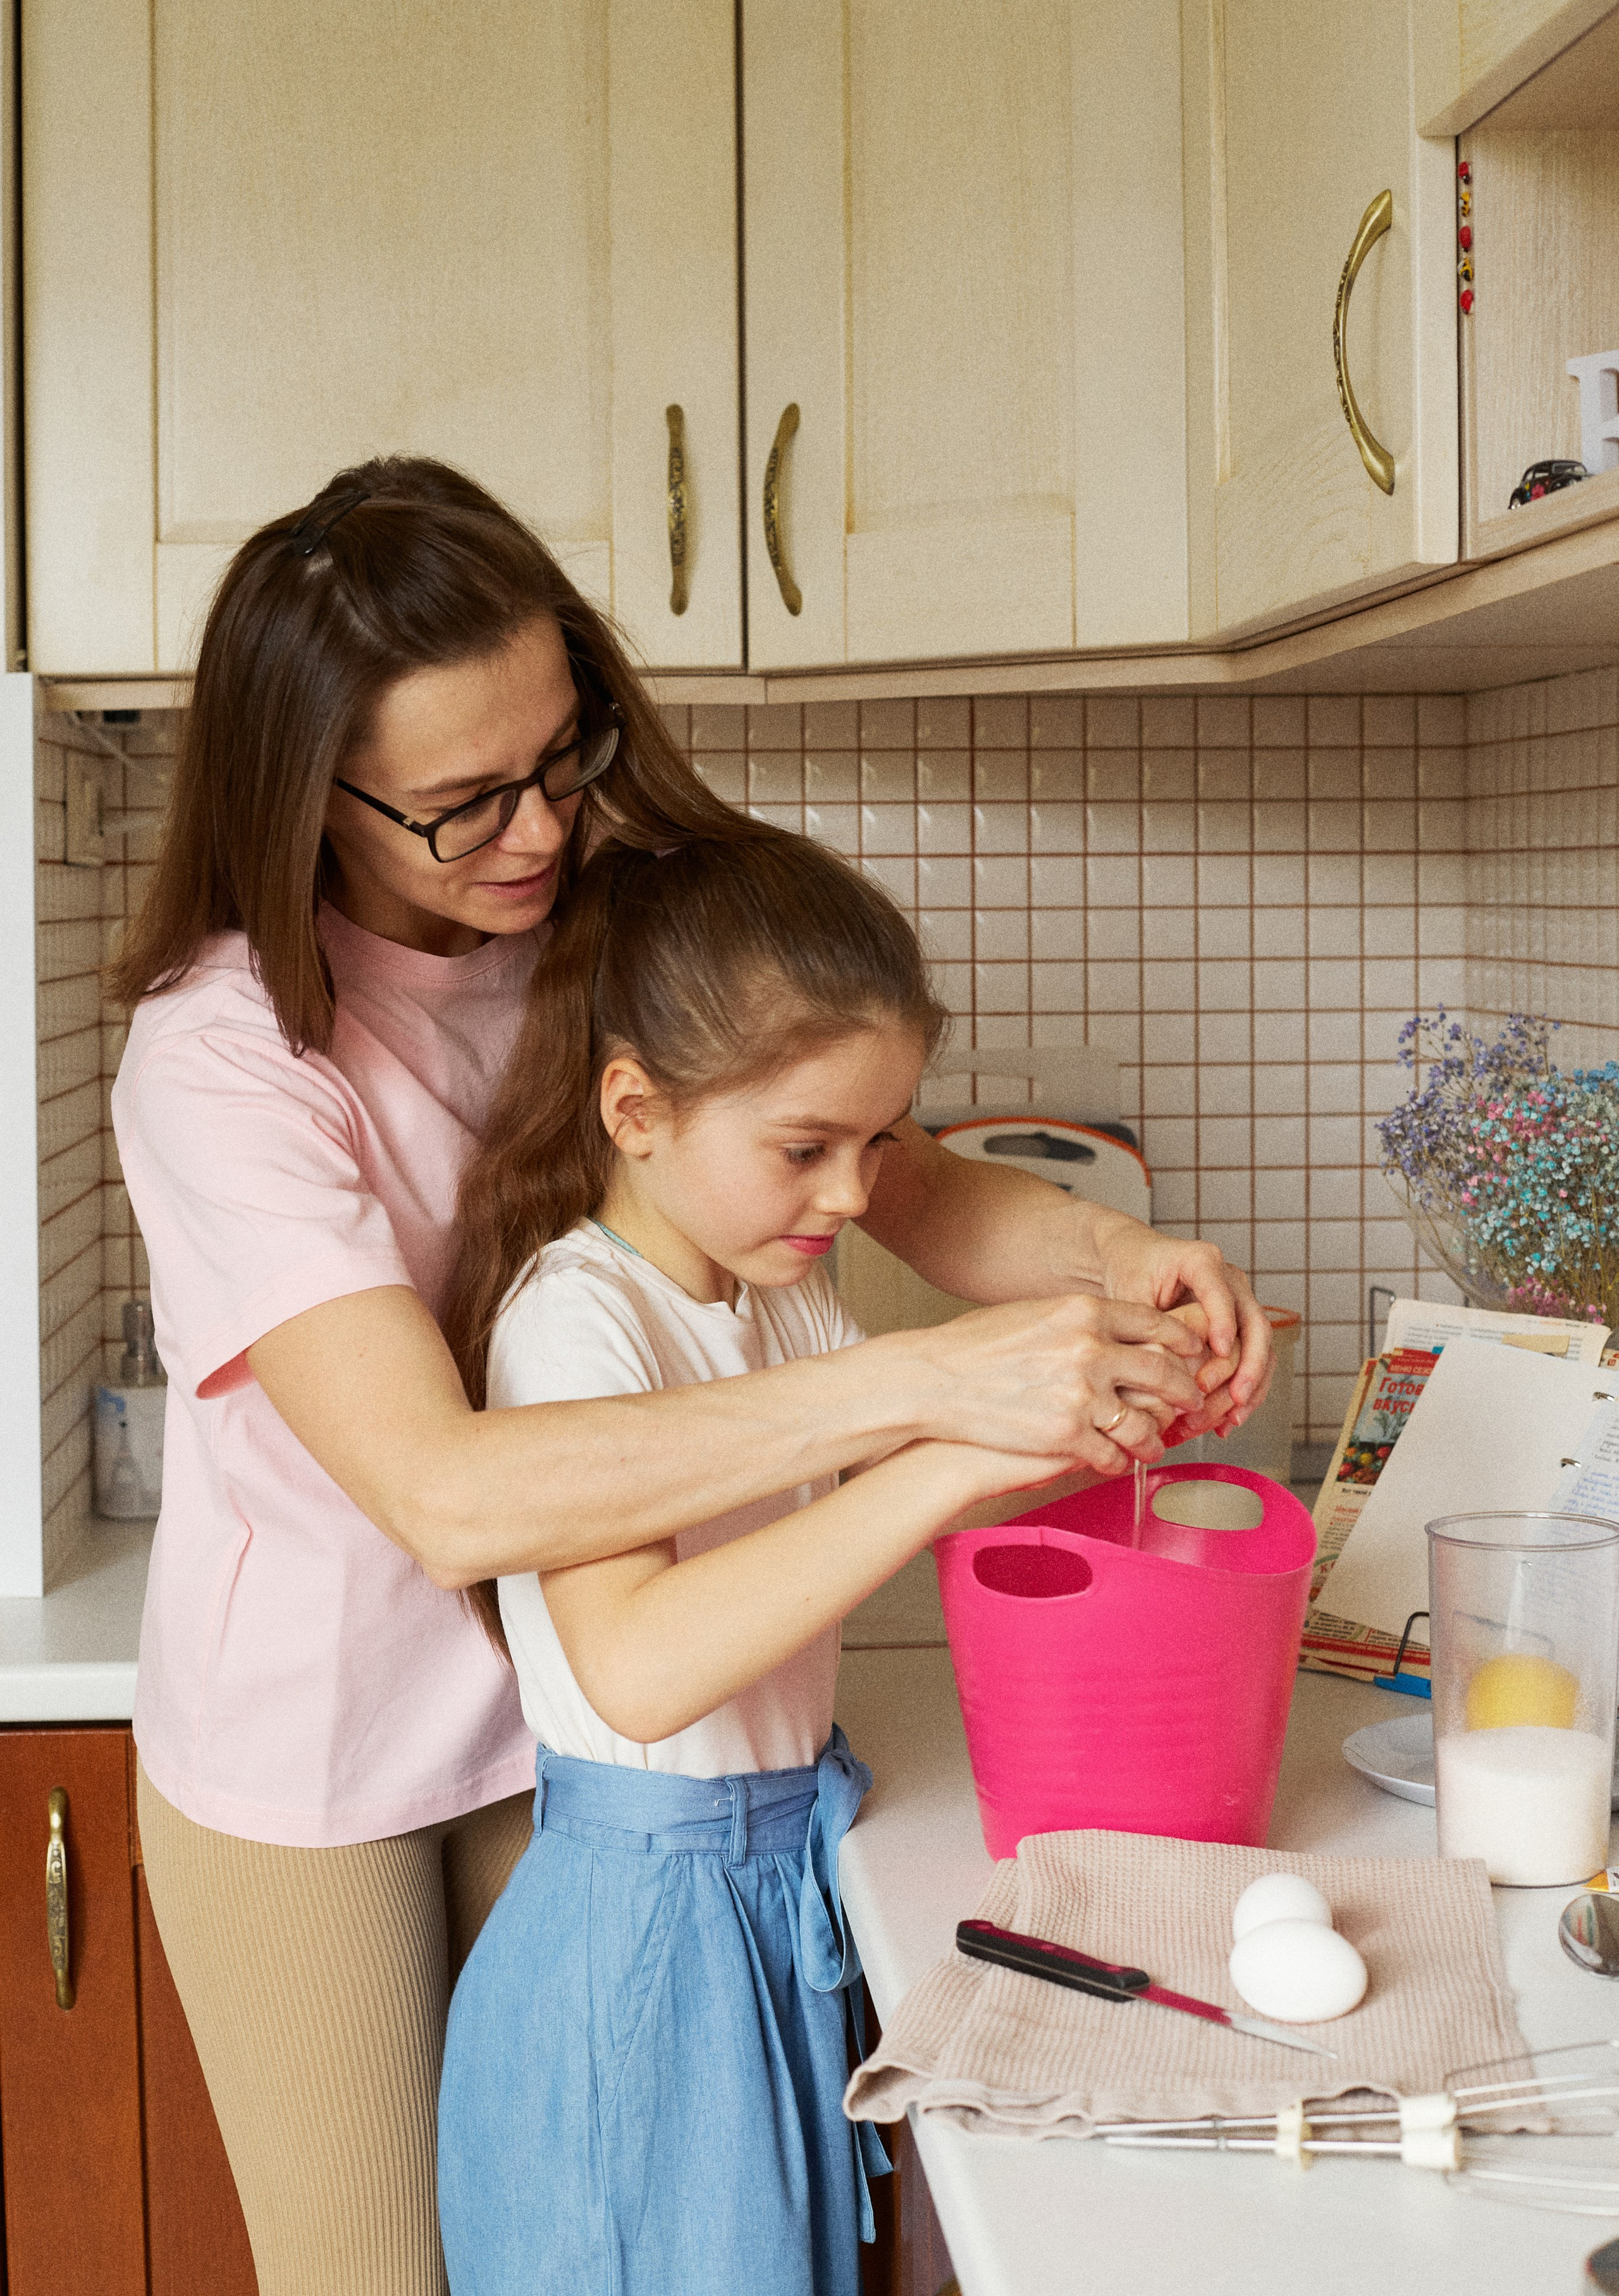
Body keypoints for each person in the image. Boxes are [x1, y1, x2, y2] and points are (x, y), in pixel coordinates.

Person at [108, 455, 1271, 2296]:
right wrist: (926, 1395)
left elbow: (861, 1154)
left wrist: (1115, 1264)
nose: (539, 830)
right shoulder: (227, 1052)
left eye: (560, 756)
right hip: (314, 1735)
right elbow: (448, 1491)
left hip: (576, 1720)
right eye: (462, 801)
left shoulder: (598, 918)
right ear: (305, 795)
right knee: (375, 2273)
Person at [436, 827, 1106, 2295]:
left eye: (877, 1141)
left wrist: (1106, 1406)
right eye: (803, 1148)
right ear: (636, 1109)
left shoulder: (771, 1303)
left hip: (755, 1904)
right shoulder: (575, 1322)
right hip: (641, 1952)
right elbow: (642, 1663)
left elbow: (911, 1493)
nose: (858, 1194)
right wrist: (946, 1428)